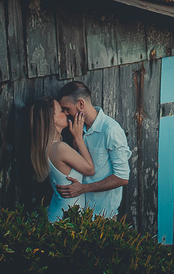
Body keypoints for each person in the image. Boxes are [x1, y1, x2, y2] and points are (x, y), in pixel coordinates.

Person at [55, 81, 130, 218]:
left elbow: (122, 178)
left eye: (66, 108)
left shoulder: (111, 130)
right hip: (80, 211)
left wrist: (83, 189)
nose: (65, 113)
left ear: (81, 104)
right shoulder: (77, 129)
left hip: (103, 214)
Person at [29, 96, 95, 222]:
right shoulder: (59, 148)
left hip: (59, 212)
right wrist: (79, 137)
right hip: (65, 218)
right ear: (52, 119)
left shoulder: (50, 147)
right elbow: (90, 169)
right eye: (61, 111)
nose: (66, 113)